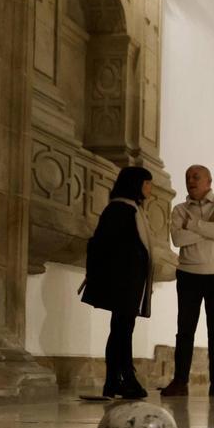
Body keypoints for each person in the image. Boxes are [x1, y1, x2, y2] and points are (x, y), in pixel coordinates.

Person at [161, 165, 214, 398]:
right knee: (185, 330)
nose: (190, 181)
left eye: (196, 177)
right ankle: (180, 381)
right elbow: (177, 239)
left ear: (209, 181)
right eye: (187, 177)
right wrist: (207, 228)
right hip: (188, 274)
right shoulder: (179, 209)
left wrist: (192, 224)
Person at [80, 166, 155, 399]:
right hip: (122, 281)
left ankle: (116, 380)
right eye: (147, 183)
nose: (150, 188)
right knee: (121, 330)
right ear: (137, 184)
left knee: (123, 329)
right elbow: (108, 244)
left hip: (129, 281)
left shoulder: (131, 208)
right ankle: (123, 378)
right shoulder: (120, 209)